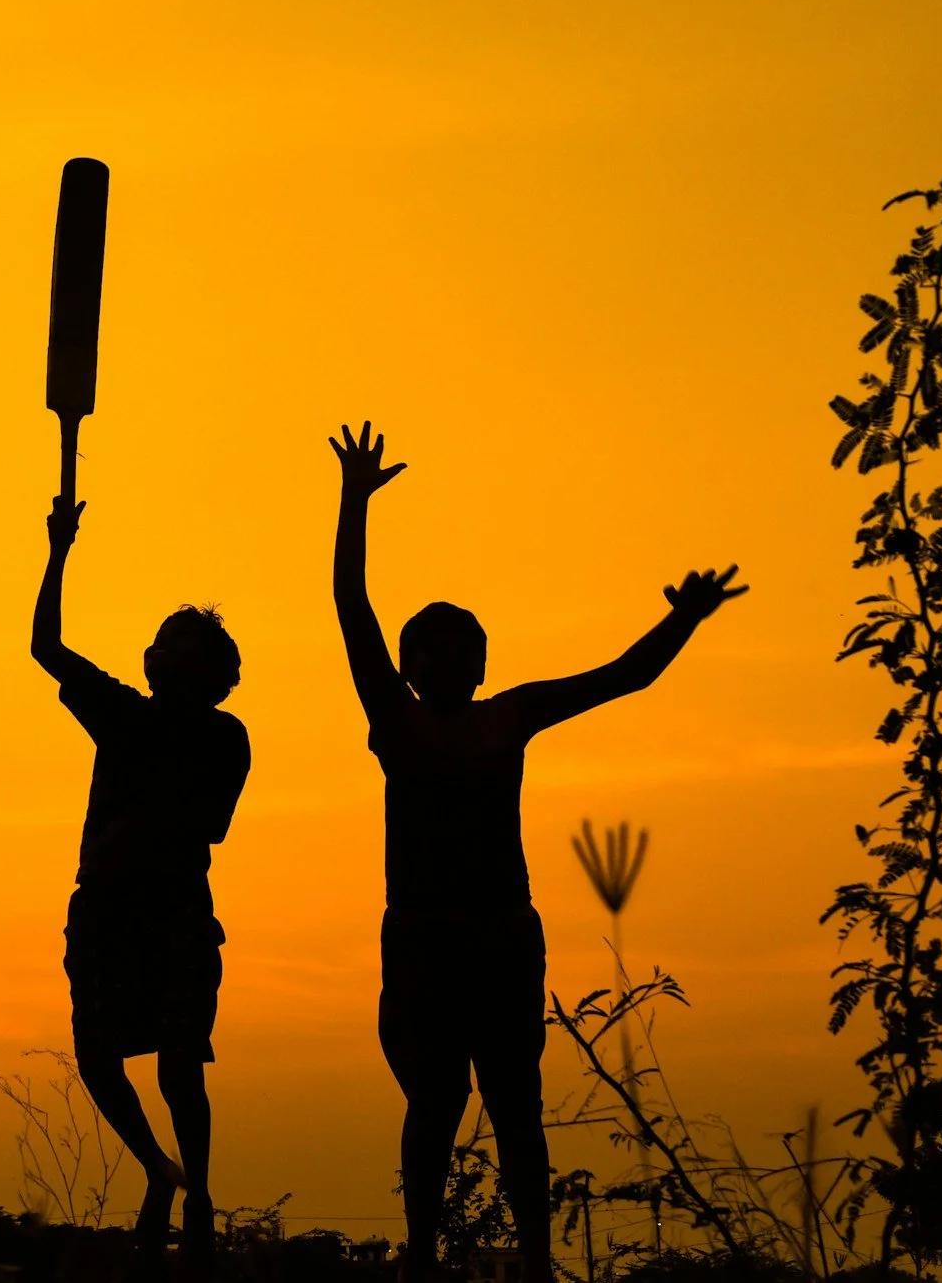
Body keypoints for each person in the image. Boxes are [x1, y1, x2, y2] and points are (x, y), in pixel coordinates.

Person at [329, 423, 746, 1283]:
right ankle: (422, 1256)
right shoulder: (398, 720)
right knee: (438, 1100)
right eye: (435, 649)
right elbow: (351, 606)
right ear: (410, 667)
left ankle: (533, 1259)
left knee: (514, 1102)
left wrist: (682, 619)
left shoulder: (505, 717)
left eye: (464, 648)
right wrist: (353, 501)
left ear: (481, 664)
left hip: (499, 936)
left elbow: (625, 675)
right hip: (426, 938)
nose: (452, 660)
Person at [31, 495, 250, 1274]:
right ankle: (160, 1168)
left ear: (218, 677)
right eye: (167, 644)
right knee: (97, 1055)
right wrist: (59, 550)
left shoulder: (222, 735)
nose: (172, 657)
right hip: (106, 908)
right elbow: (46, 646)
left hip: (174, 911)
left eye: (190, 650)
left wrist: (144, 824)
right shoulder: (123, 713)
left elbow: (211, 824)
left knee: (180, 1062)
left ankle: (198, 1196)